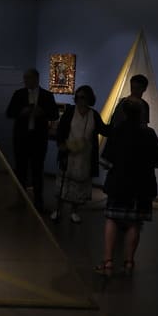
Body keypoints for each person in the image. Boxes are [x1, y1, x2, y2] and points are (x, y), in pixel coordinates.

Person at [95, 100, 158, 277]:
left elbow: (105, 161)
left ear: (124, 113)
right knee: (135, 223)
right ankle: (128, 263)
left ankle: (108, 262)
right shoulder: (149, 133)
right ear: (142, 114)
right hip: (142, 187)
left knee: (112, 219)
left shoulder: (117, 131)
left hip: (118, 185)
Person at [52, 85, 111, 223]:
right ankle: (58, 210)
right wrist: (61, 144)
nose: (79, 100)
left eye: (83, 97)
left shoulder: (93, 115)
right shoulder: (70, 112)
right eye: (77, 97)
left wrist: (116, 122)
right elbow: (61, 130)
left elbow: (104, 130)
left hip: (85, 156)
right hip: (69, 153)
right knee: (63, 184)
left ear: (89, 98)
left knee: (80, 185)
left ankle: (74, 211)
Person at [5, 69, 59, 213]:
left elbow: (54, 114)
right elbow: (9, 112)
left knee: (37, 171)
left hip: (38, 139)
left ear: (36, 78)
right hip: (21, 139)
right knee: (20, 170)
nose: (26, 80)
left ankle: (38, 202)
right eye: (25, 78)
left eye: (28, 78)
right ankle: (20, 200)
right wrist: (21, 112)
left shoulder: (47, 95)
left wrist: (43, 112)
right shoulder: (19, 94)